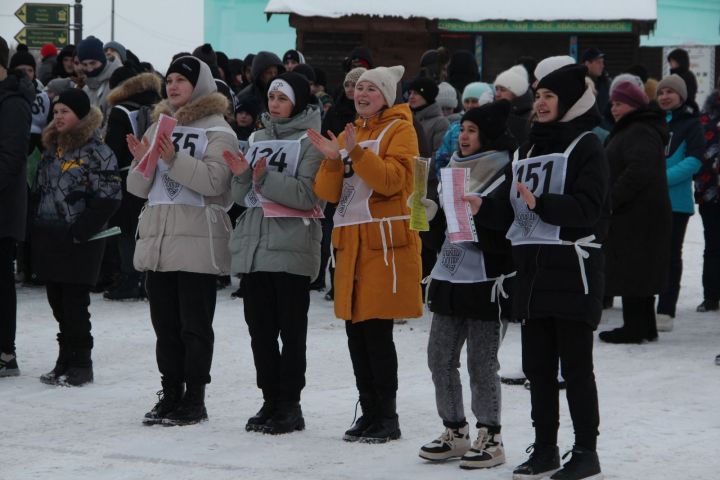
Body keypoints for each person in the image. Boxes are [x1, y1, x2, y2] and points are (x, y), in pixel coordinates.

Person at [467, 64, 607, 480]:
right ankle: (545, 447)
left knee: (576, 370)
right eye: (538, 96)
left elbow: (590, 208)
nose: (541, 103)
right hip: (531, 275)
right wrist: (482, 207)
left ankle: (585, 451)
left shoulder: (587, 146)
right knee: (538, 370)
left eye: (549, 96)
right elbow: (511, 205)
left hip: (572, 271)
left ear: (569, 100)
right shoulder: (526, 149)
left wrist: (541, 202)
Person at [309, 65, 423, 443]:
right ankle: (368, 410)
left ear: (387, 96)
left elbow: (394, 180)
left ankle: (387, 416)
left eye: (372, 89)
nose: (362, 93)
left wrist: (354, 152)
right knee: (355, 334)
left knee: (377, 334)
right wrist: (331, 158)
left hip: (382, 244)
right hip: (350, 243)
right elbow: (327, 194)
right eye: (359, 88)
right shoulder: (351, 131)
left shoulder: (400, 129)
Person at [126, 56, 237, 426]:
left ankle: (195, 399)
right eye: (169, 79)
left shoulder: (219, 130)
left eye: (181, 80)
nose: (172, 86)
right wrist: (143, 163)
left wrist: (173, 160)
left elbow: (216, 184)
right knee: (165, 327)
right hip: (159, 240)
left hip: (197, 242)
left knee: (194, 326)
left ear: (200, 85)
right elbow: (138, 188)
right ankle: (170, 393)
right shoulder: (159, 126)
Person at [418, 101, 516, 469]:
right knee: (439, 357)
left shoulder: (505, 171)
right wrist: (425, 218)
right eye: (462, 130)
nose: (463, 136)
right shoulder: (450, 169)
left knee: (481, 362)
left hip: (488, 280)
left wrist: (483, 211)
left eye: (472, 130)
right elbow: (444, 234)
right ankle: (455, 430)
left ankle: (490, 435)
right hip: (450, 275)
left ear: (487, 135)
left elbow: (510, 229)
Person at [225, 72, 323, 434]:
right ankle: (269, 400)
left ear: (297, 101)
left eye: (282, 97)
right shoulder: (257, 138)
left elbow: (308, 196)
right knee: (260, 332)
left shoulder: (312, 141)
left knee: (291, 333)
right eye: (271, 97)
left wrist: (262, 178)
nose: (274, 103)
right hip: (255, 247)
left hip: (292, 248)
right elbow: (240, 200)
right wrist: (240, 175)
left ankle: (290, 405)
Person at [33, 89, 121, 386]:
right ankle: (64, 359)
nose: (58, 116)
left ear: (81, 116)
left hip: (81, 240)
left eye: (65, 112)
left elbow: (109, 197)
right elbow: (40, 191)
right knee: (57, 301)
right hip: (50, 236)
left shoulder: (98, 151)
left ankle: (82, 362)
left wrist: (82, 230)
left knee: (74, 303)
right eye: (56, 111)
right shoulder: (50, 149)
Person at [598, 81, 671, 344]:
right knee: (638, 270)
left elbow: (639, 169)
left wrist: (612, 199)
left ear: (634, 105)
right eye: (613, 103)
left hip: (638, 215)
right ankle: (645, 326)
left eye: (619, 103)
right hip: (639, 214)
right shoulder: (636, 128)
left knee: (634, 270)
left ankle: (635, 328)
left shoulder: (639, 130)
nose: (613, 108)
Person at [103, 66, 162, 301]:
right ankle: (148, 279)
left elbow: (113, 151)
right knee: (147, 230)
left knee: (126, 231)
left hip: (129, 176)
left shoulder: (120, 111)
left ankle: (129, 279)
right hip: (155, 174)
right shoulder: (158, 105)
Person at [655, 74, 705, 332]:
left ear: (681, 95)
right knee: (648, 254)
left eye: (670, 92)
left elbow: (695, 161)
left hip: (677, 203)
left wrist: (658, 179)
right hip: (648, 202)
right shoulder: (652, 121)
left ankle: (665, 309)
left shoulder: (692, 124)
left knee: (671, 256)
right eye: (661, 92)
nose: (664, 96)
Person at [0, 36, 33, 378]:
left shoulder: (12, 101)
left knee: (1, 282)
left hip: (4, 209)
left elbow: (10, 158)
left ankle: (5, 353)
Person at [695, 78, 720, 312]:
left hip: (707, 191)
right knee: (712, 245)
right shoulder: (706, 118)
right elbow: (698, 153)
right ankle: (711, 295)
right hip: (710, 193)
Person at [434, 82, 495, 174]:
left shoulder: (493, 128)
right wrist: (446, 180)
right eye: (467, 101)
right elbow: (441, 158)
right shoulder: (454, 127)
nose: (470, 105)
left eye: (474, 101)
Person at [76, 36, 122, 127]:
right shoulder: (86, 88)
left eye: (93, 63)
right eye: (85, 64)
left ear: (102, 59)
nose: (89, 68)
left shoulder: (116, 82)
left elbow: (113, 121)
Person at [408, 76, 449, 157]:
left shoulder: (440, 123)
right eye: (410, 93)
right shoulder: (406, 117)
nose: (411, 97)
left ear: (427, 96)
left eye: (416, 93)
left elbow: (438, 156)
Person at [494, 65, 533, 145]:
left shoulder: (529, 118)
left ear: (516, 92)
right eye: (496, 89)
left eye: (503, 90)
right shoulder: (494, 112)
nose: (497, 94)